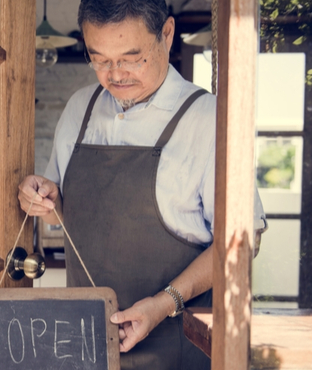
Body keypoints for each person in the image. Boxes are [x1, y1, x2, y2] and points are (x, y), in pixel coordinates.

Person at [17, 1, 266, 369]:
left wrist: (164, 303)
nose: (115, 74)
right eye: (99, 59)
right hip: (84, 351)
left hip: (178, 352)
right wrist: (42, 198)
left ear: (166, 35)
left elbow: (242, 243)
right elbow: (63, 216)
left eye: (131, 58)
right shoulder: (79, 109)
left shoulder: (209, 120)